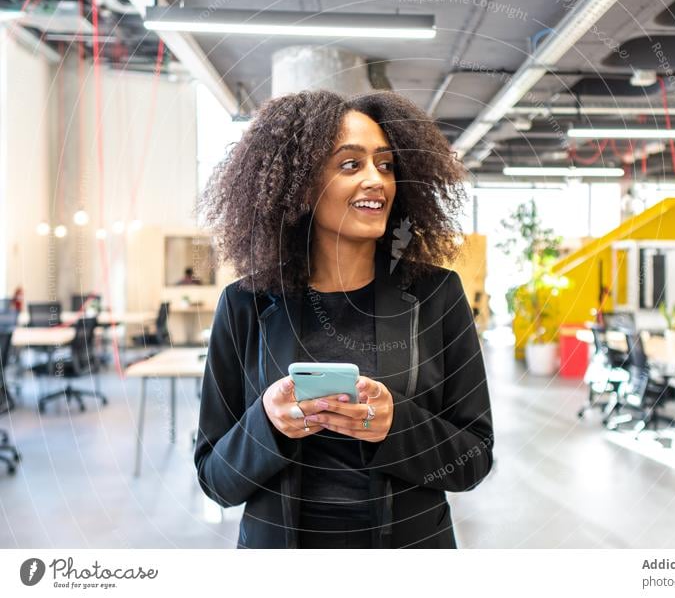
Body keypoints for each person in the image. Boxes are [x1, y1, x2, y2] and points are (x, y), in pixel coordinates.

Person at [195, 89, 494, 549]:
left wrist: (397, 424)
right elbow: (217, 481)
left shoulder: (438, 297)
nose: (377, 180)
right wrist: (267, 424)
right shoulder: (245, 305)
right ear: (299, 186)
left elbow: (473, 460)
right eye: (351, 164)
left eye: (386, 165)